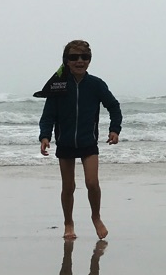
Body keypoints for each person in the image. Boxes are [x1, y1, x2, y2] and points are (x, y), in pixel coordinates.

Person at [38, 40, 122, 240]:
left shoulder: (96, 85)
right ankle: (68, 222)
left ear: (89, 60)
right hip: (65, 143)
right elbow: (48, 115)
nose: (79, 61)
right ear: (66, 61)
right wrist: (45, 136)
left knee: (92, 183)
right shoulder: (58, 86)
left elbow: (114, 107)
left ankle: (96, 217)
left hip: (88, 143)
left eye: (84, 57)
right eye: (74, 57)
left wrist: (114, 129)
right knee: (68, 187)